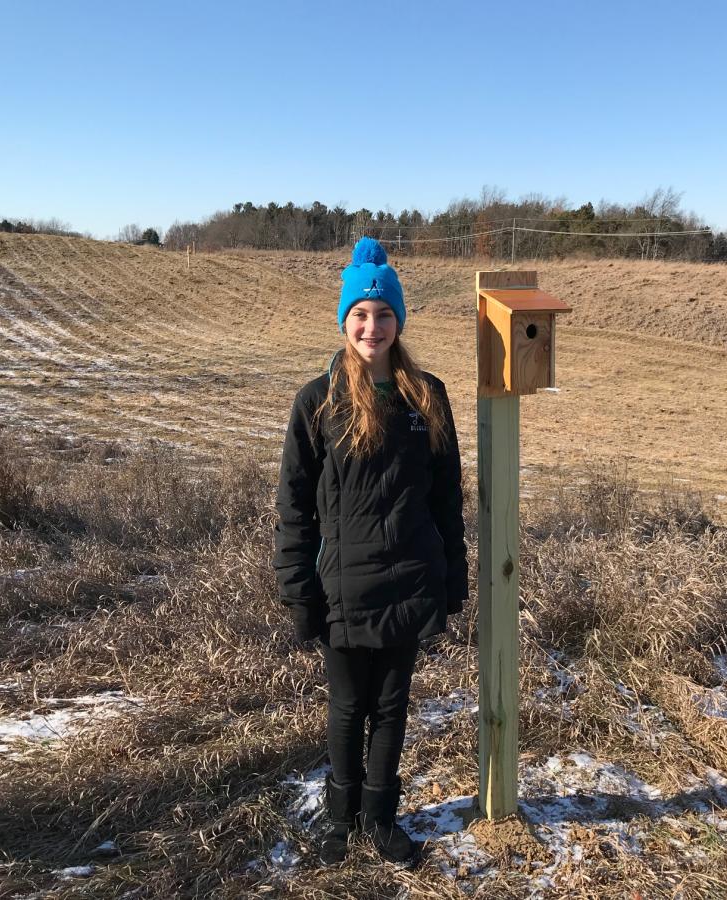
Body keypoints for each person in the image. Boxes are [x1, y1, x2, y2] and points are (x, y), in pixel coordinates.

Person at [272, 237, 469, 867]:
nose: (372, 326)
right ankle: (340, 820)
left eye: (383, 315)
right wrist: (300, 592)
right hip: (343, 589)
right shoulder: (318, 401)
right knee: (347, 706)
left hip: (410, 582)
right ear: (344, 320)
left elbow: (447, 499)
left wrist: (453, 575)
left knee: (392, 707)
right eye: (360, 314)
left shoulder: (427, 397)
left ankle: (381, 820)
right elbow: (293, 508)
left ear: (399, 321)